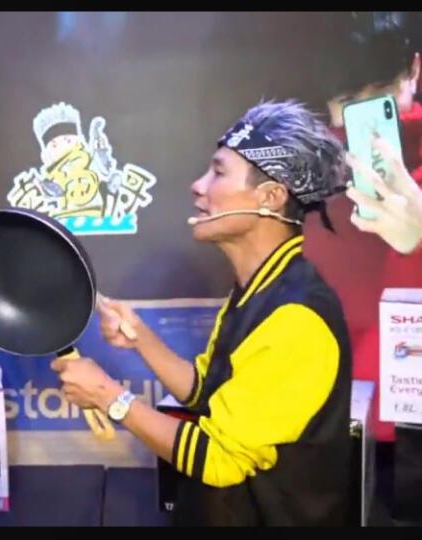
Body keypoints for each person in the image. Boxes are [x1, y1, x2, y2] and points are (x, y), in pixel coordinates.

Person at [52, 101, 353, 526]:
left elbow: (220, 457)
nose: (198, 186)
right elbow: (205, 392)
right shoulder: (258, 289)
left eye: (218, 173)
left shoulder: (296, 317)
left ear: (270, 198)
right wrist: (140, 337)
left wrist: (106, 395)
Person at [306, 13, 422, 442]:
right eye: (352, 102)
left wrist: (418, 245)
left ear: (414, 72)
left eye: (383, 96)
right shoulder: (306, 174)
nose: (371, 123)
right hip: (334, 430)